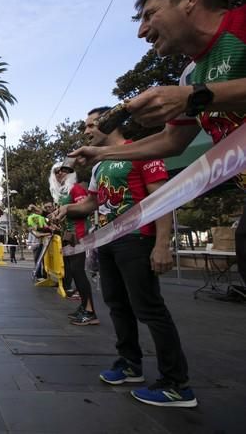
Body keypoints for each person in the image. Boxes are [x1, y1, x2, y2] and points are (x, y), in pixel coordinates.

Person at [69, 0, 246, 286]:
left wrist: (196, 97)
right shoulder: (190, 75)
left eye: (150, 15)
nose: (142, 31)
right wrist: (101, 152)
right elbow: (173, 140)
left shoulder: (242, 25)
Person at [53, 107, 196, 408]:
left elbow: (161, 199)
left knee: (149, 308)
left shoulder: (142, 152)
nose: (87, 130)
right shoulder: (98, 166)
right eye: (85, 125)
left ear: (112, 123)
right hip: (107, 241)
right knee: (117, 305)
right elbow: (91, 203)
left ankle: (176, 383)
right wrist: (67, 209)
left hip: (136, 240)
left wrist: (162, 244)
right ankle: (130, 364)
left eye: (93, 124)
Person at [48, 162, 98, 325]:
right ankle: (85, 307)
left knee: (78, 272)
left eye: (64, 170)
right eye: (56, 171)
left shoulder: (75, 188)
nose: (60, 173)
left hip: (79, 235)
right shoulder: (63, 193)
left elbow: (85, 208)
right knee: (75, 272)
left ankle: (90, 312)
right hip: (69, 236)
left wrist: (66, 210)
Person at [27, 204, 47, 277]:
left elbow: (32, 230)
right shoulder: (41, 218)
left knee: (38, 259)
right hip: (41, 241)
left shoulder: (30, 218)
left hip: (36, 242)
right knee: (43, 260)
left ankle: (39, 275)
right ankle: (43, 275)